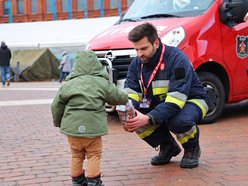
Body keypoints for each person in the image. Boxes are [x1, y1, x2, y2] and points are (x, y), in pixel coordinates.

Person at [120, 23, 210, 169]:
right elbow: (131, 93)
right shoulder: (136, 63)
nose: (139, 54)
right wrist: (129, 111)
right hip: (160, 103)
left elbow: (176, 101)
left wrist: (149, 117)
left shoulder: (176, 58)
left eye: (143, 48)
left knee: (179, 121)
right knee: (133, 119)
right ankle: (168, 146)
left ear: (156, 43)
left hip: (190, 100)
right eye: (136, 49)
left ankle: (191, 148)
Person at [51, 50, 128, 186]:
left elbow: (56, 106)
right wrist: (126, 96)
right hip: (93, 128)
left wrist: (58, 123)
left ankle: (77, 180)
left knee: (76, 155)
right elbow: (118, 97)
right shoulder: (101, 83)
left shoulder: (68, 84)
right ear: (96, 65)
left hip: (72, 129)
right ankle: (93, 181)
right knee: (94, 154)